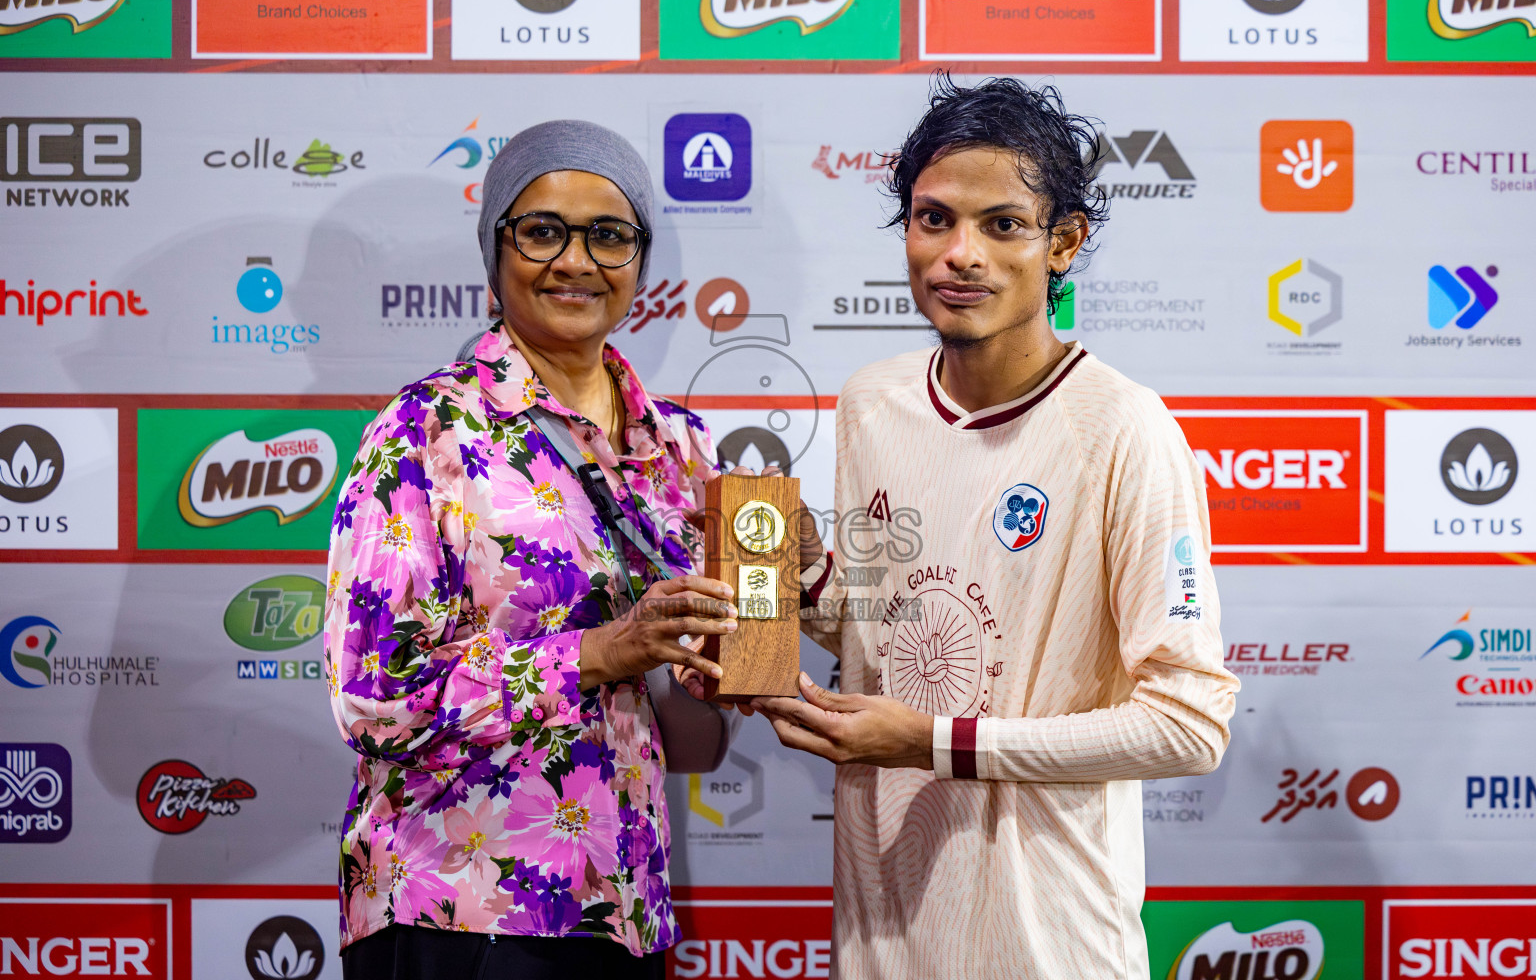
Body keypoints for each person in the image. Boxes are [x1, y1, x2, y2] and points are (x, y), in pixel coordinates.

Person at [751, 77, 1241, 979]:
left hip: (1049, 945)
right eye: (934, 220)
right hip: (880, 930)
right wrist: (775, 589)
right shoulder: (872, 402)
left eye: (1002, 225)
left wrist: (930, 742)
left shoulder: (1123, 428)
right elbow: (881, 629)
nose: (959, 255)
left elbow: (1188, 724)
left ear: (1064, 242)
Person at [324, 119, 739, 979]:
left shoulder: (684, 451)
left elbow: (695, 744)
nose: (577, 261)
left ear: (640, 262)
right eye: (543, 230)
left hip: (622, 910)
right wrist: (597, 652)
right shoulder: (426, 431)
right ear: (496, 251)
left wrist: (740, 649)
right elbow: (373, 700)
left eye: (609, 235)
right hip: (457, 908)